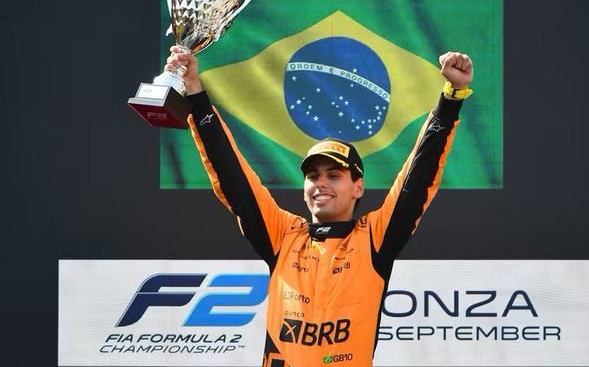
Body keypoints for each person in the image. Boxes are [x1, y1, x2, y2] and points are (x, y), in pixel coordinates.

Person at [165, 47, 473, 367]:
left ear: (358, 187)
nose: (320, 183)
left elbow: (418, 177)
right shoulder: (284, 235)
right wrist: (195, 95)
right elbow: (233, 176)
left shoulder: (373, 238)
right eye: (313, 176)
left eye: (334, 175)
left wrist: (451, 99)